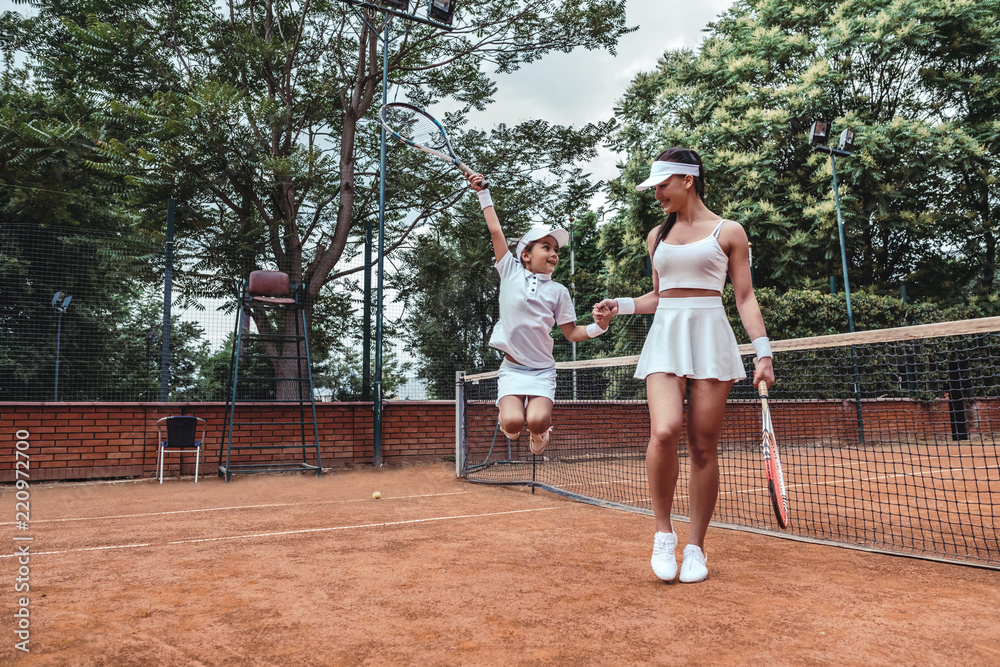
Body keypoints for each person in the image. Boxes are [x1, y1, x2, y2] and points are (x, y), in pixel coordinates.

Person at [594, 148, 774, 583]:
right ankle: (663, 534)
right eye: (655, 187)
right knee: (664, 430)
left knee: (702, 447)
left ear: (687, 180)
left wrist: (763, 353)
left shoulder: (729, 232)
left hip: (712, 337)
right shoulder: (656, 236)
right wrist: (618, 305)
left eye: (662, 185)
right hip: (666, 338)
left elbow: (744, 297)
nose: (657, 193)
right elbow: (660, 296)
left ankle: (696, 547)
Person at [467, 173, 611, 455]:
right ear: (525, 255)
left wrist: (599, 327)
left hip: (542, 370)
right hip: (512, 369)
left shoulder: (558, 291)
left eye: (556, 249)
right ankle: (509, 422)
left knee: (536, 420)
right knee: (512, 422)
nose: (554, 253)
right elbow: (496, 232)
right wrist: (482, 193)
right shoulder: (509, 271)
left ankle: (540, 432)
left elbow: (571, 333)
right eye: (546, 247)